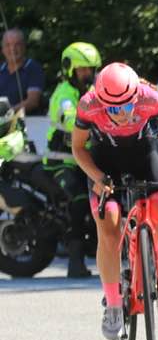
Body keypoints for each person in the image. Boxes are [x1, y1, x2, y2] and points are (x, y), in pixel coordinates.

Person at [71, 62, 158, 340]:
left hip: (145, 157)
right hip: (104, 165)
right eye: (113, 110)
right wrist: (97, 177)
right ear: (101, 102)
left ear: (136, 97)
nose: (121, 115)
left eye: (127, 107)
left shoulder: (149, 97)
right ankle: (113, 304)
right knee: (109, 229)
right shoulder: (88, 105)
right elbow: (77, 148)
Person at [44, 42, 102, 278]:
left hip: (84, 158)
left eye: (90, 69)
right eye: (82, 70)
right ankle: (75, 262)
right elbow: (70, 118)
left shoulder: (95, 92)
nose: (87, 74)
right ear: (69, 70)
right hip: (62, 161)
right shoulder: (64, 94)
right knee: (79, 199)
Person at [0, 28, 44, 113]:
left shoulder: (33, 68)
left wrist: (7, 112)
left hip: (29, 122)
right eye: (8, 45)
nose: (13, 49)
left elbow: (32, 102)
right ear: (3, 49)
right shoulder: (1, 69)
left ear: (24, 47)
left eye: (17, 44)